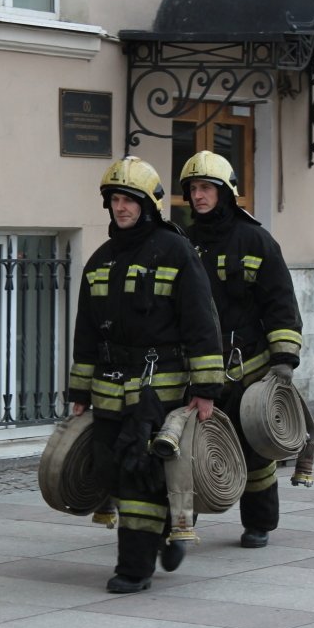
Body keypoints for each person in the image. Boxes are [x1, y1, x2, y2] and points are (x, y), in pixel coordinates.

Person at [68, 155, 224, 593]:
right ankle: (169, 529)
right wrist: (80, 389)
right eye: (115, 199)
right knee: (110, 469)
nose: (121, 207)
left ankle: (134, 569)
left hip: (160, 385)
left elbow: (201, 322)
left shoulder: (175, 251)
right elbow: (84, 331)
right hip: (109, 387)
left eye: (130, 200)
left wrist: (205, 387)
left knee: (140, 472)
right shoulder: (100, 260)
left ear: (149, 204)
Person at [179, 150, 304, 549]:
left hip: (246, 369)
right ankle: (181, 524)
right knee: (188, 451)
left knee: (255, 453)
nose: (198, 196)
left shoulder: (255, 240)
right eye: (193, 189)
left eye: (206, 188)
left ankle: (259, 524)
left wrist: (283, 358)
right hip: (194, 370)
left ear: (225, 192)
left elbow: (280, 302)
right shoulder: (182, 242)